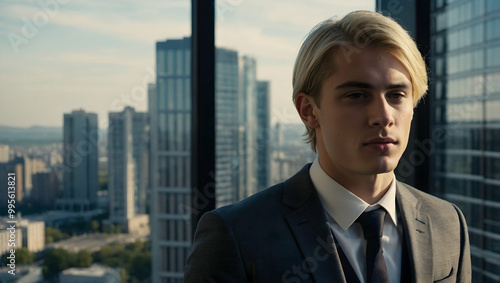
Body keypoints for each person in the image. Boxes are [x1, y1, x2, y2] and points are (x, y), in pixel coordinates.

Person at [184, 10, 471, 283]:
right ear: (309, 110)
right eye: (357, 95)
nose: (383, 116)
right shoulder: (237, 235)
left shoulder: (448, 223)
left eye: (397, 95)